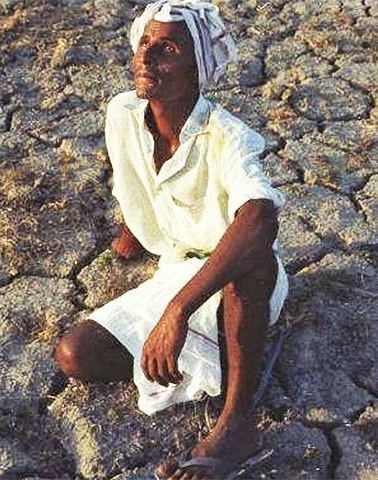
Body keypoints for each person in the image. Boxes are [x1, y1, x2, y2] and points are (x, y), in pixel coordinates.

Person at [53, 1, 288, 479]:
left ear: (197, 66)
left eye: (167, 49)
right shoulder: (123, 112)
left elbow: (260, 219)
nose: (146, 58)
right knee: (75, 353)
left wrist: (176, 312)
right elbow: (135, 179)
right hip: (177, 268)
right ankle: (225, 356)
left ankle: (237, 422)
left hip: (237, 280)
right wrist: (136, 230)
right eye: (144, 44)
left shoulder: (227, 136)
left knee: (252, 259)